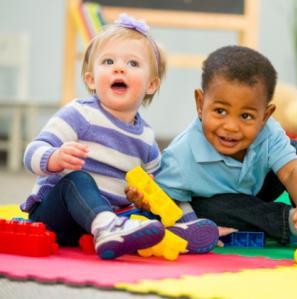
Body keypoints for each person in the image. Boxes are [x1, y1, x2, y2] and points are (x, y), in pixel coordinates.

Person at [22, 14, 216, 260]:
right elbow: (31, 153)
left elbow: (166, 186)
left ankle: (176, 232)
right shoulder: (80, 114)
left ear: (151, 85)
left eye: (133, 64)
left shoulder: (145, 137)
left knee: (145, 213)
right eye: (108, 61)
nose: (119, 67)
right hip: (55, 217)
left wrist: (188, 219)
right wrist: (54, 157)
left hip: (108, 220)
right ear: (91, 79)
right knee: (77, 180)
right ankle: (107, 226)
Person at [133, 45, 297, 245]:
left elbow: (290, 172)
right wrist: (146, 201)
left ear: (265, 116)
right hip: (228, 205)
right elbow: (166, 202)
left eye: (246, 116)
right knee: (210, 210)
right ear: (200, 104)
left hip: (260, 184)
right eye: (220, 111)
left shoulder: (268, 132)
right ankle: (288, 221)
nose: (231, 127)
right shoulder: (182, 157)